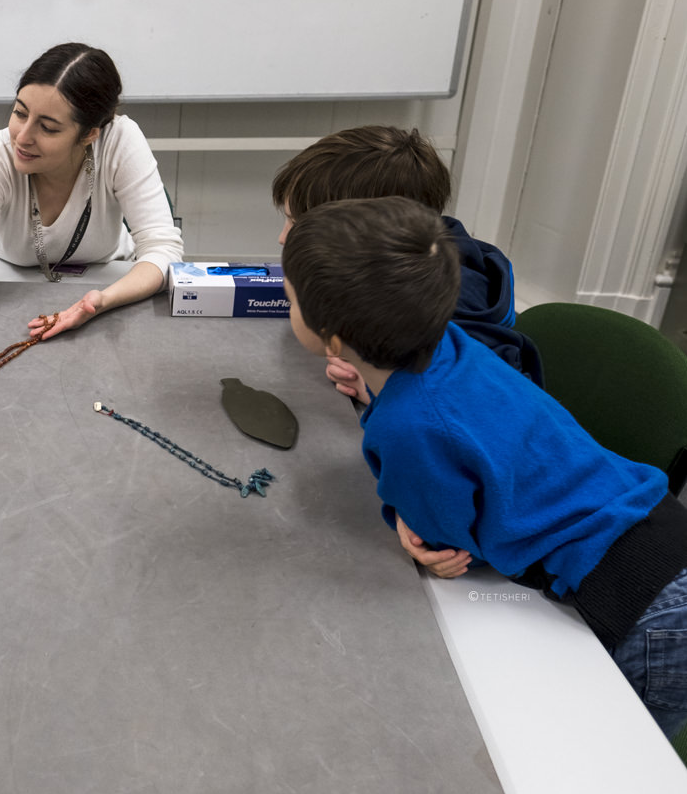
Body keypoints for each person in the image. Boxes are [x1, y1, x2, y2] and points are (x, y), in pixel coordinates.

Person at [281, 196, 687, 738]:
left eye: (290, 299)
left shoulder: (407, 426)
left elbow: (445, 546)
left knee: (625, 758)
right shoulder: (453, 343)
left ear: (333, 337)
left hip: (642, 605)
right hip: (664, 534)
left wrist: (408, 529)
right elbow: (457, 418)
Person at [0, 43, 183, 387]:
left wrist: (103, 299)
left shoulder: (119, 141)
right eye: (20, 113)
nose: (23, 136)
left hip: (108, 280)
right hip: (10, 281)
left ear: (89, 134)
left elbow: (163, 249)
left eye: (48, 128)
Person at [271, 125, 540, 404]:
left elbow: (491, 407)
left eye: (295, 223)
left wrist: (381, 389)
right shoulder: (400, 265)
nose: (282, 238)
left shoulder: (448, 306)